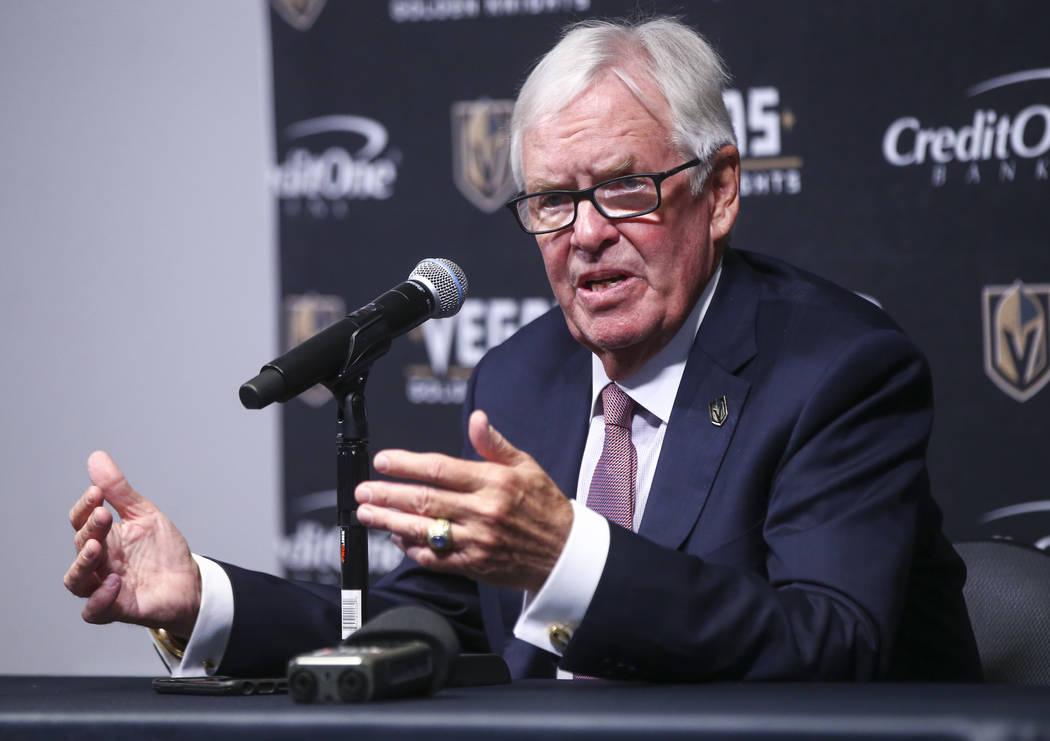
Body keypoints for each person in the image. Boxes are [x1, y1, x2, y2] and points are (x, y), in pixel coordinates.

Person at [65, 17, 982, 682]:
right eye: (551, 200)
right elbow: (444, 613)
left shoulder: (840, 368)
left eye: (624, 188)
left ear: (721, 190)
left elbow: (833, 644)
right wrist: (204, 598)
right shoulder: (522, 374)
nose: (584, 235)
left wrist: (567, 555)